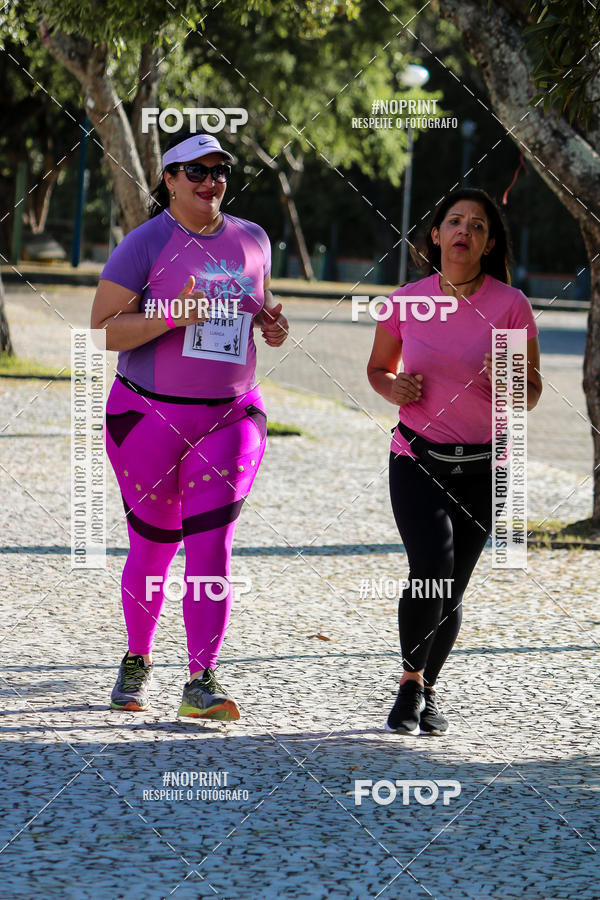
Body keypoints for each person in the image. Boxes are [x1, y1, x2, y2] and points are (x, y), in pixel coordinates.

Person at [91, 131, 288, 720]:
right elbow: (103, 329)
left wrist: (272, 325)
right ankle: (137, 657)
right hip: (146, 416)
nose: (210, 181)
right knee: (153, 548)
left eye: (219, 170)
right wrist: (172, 315)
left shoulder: (253, 238)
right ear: (169, 180)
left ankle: (201, 679)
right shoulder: (145, 243)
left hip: (231, 416)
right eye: (195, 171)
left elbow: (259, 307)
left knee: (212, 543)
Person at [367, 187, 542, 736]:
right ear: (436, 234)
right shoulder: (405, 301)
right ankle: (409, 684)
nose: (465, 230)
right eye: (455, 221)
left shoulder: (510, 305)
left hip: (487, 467)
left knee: (452, 587)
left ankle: (427, 688)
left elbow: (532, 393)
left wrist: (507, 378)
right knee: (431, 570)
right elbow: (378, 370)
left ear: (489, 244)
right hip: (417, 457)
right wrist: (393, 387)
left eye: (478, 225)